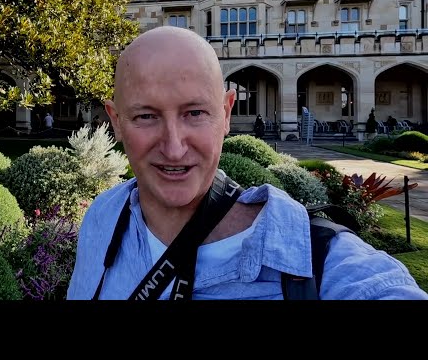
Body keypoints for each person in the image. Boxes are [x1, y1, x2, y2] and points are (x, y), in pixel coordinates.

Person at [66, 25, 428, 300]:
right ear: (115, 121)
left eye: (195, 113)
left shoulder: (321, 263)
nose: (174, 148)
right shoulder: (103, 216)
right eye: (146, 116)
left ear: (226, 113)